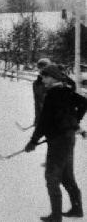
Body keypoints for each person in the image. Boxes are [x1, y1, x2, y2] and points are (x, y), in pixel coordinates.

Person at [24, 64, 86, 222]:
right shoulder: (66, 91)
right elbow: (84, 103)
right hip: (68, 138)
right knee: (66, 176)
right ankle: (77, 209)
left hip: (59, 141)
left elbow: (44, 121)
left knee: (51, 176)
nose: (42, 79)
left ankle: (56, 216)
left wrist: (32, 141)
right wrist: (73, 122)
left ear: (52, 77)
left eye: (44, 76)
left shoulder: (52, 94)